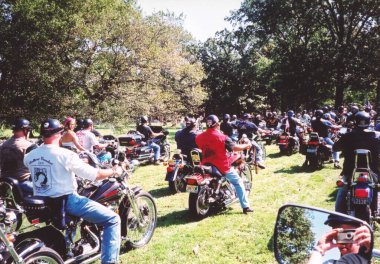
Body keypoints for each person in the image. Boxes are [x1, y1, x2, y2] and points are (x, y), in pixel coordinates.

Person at [24, 118, 122, 264]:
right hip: (68, 201)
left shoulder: (29, 156)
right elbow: (95, 175)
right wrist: (114, 171)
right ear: (59, 134)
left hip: (44, 201)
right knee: (113, 220)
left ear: (43, 135)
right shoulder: (66, 155)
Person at [195, 115, 254, 214]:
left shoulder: (199, 137)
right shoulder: (222, 137)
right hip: (221, 165)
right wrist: (246, 145)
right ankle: (245, 206)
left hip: (206, 163)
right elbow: (235, 148)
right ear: (217, 124)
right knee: (238, 181)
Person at [333, 111, 380, 213]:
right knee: (377, 187)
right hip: (374, 171)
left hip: (350, 171)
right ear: (369, 121)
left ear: (355, 122)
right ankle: (376, 210)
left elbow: (335, 148)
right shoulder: (377, 135)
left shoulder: (348, 136)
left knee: (343, 190)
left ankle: (337, 215)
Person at [0, 118, 34, 195]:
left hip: (4, 183)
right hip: (22, 184)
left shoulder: (3, 145)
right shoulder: (30, 146)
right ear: (25, 130)